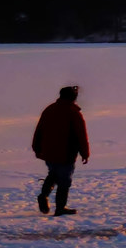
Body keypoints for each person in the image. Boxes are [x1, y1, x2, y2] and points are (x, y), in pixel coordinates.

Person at [32, 85, 90, 216]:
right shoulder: (73, 112)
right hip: (66, 153)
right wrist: (84, 153)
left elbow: (39, 129)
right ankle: (60, 208)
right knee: (64, 180)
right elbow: (80, 135)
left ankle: (43, 195)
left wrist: (36, 147)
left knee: (53, 174)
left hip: (49, 152)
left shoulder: (49, 109)